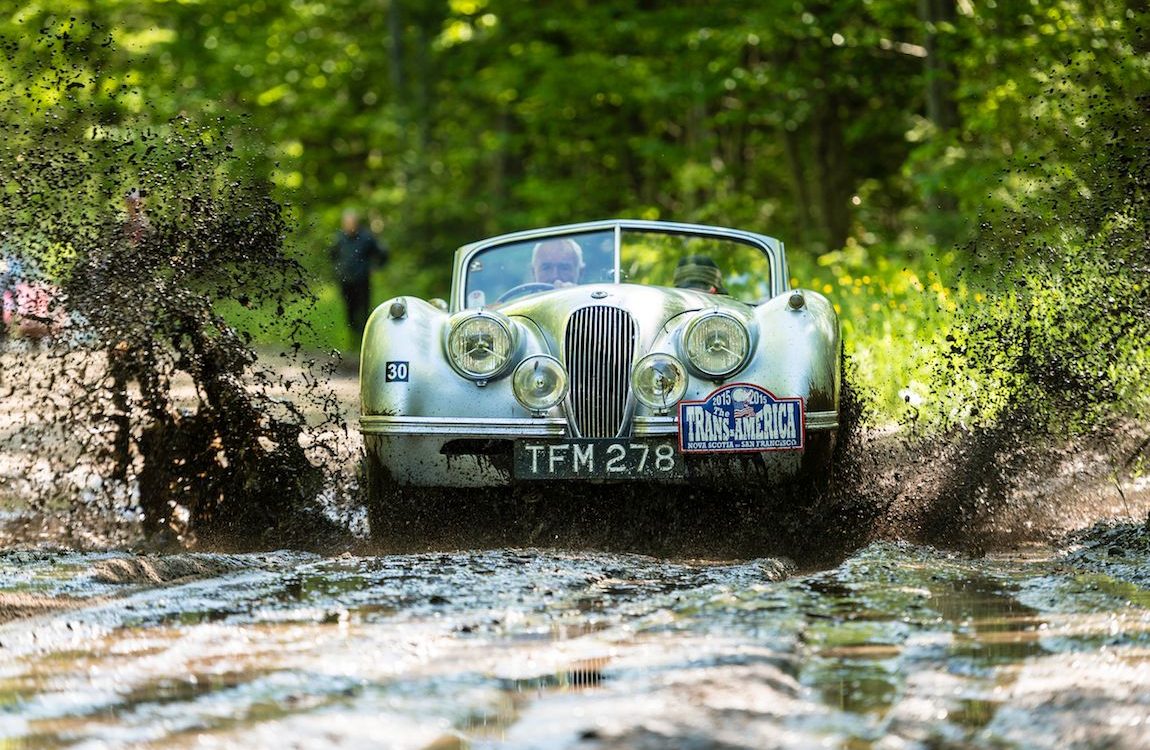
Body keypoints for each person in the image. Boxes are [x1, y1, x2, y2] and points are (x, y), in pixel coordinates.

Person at [329, 209, 387, 340]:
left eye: (351, 222)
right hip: (345, 280)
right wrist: (338, 269)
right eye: (346, 223)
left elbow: (382, 253)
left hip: (362, 279)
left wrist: (376, 267)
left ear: (356, 223)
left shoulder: (366, 237)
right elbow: (332, 255)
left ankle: (365, 335)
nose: (349, 225)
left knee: (363, 307)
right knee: (349, 307)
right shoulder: (339, 238)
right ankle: (352, 334)